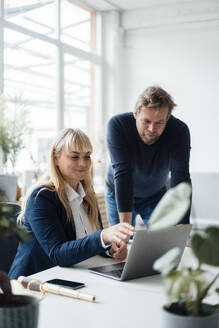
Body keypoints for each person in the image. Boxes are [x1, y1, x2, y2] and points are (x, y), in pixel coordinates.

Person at [9, 128, 135, 279]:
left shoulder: (88, 195)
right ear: (56, 158)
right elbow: (58, 253)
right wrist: (103, 236)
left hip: (71, 277)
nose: (83, 163)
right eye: (75, 157)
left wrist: (110, 248)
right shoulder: (42, 198)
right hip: (33, 282)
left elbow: (86, 243)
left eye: (87, 156)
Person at [105, 86, 191, 227]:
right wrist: (124, 233)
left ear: (167, 118)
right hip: (117, 192)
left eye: (159, 123)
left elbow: (180, 177)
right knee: (121, 243)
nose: (152, 129)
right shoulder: (118, 125)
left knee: (162, 243)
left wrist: (183, 227)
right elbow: (123, 173)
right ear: (135, 114)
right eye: (146, 121)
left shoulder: (179, 131)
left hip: (155, 195)